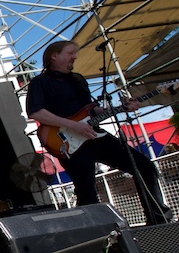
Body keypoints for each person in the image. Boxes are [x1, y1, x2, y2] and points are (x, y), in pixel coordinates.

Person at [27, 40, 169, 224]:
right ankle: (95, 241)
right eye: (70, 53)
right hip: (67, 142)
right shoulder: (40, 82)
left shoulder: (78, 79)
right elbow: (35, 112)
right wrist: (72, 125)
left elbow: (92, 109)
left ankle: (157, 220)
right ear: (54, 55)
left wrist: (123, 108)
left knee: (144, 167)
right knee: (86, 191)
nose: (74, 57)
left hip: (94, 134)